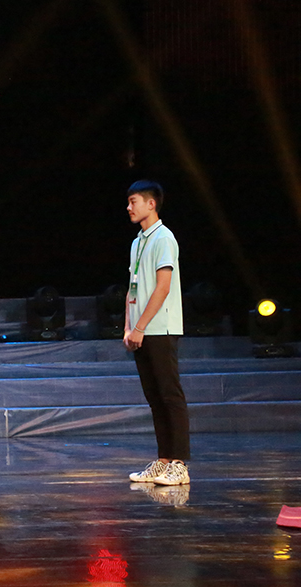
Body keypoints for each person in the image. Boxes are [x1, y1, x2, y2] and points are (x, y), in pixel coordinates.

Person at [122, 181, 190, 487]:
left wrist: (140, 327)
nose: (129, 207)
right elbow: (132, 289)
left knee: (169, 394)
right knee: (154, 397)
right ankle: (163, 460)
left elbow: (163, 287)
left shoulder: (164, 238)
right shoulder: (138, 242)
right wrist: (128, 327)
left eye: (134, 201)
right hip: (140, 331)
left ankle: (179, 464)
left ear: (151, 204)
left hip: (160, 328)